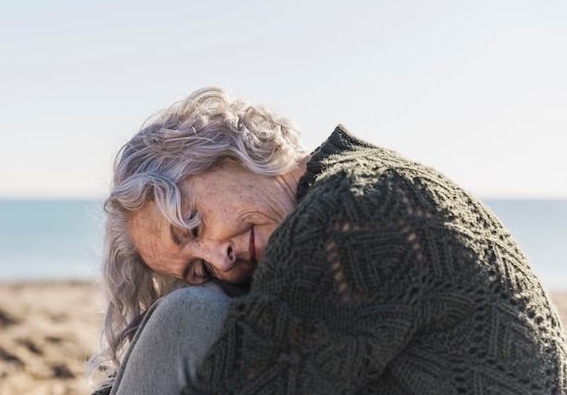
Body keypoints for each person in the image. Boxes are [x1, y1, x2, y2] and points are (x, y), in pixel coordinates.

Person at [87, 87, 567, 394]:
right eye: (199, 270)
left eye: (191, 224)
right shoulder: (359, 185)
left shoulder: (354, 208)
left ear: (220, 153)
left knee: (189, 314)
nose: (220, 258)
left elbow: (249, 384)